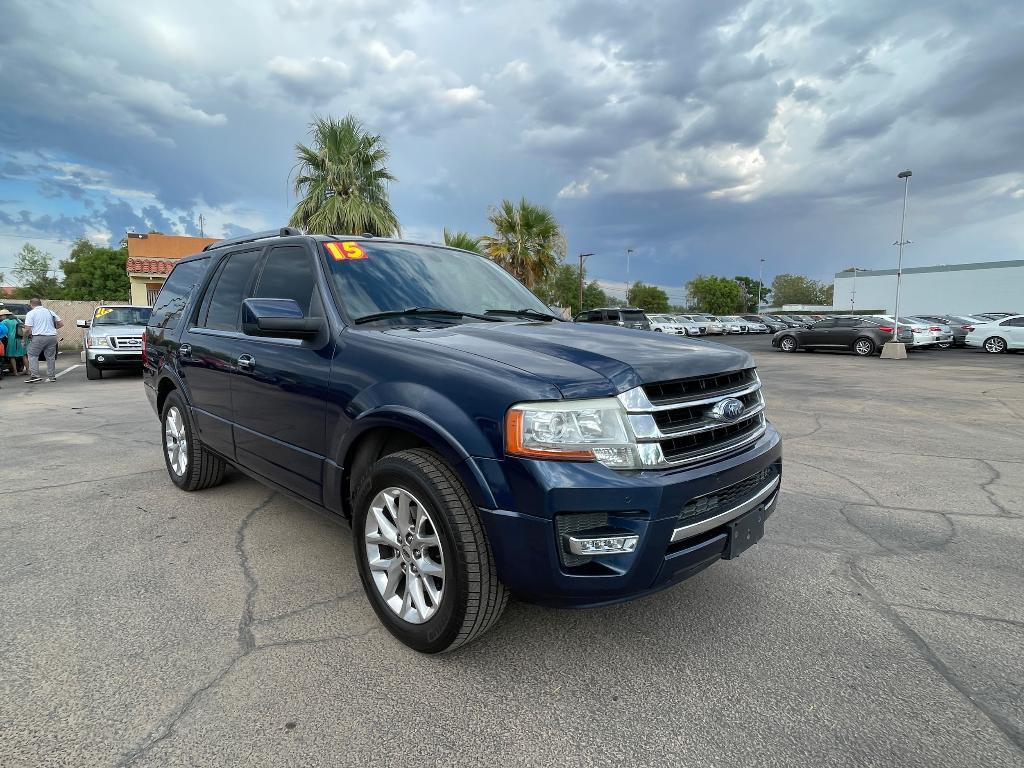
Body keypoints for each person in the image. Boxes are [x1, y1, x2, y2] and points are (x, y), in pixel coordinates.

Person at [24, 298, 62, 383]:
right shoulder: (50, 312)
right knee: (50, 357)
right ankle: (52, 376)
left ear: (31, 304)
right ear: (40, 303)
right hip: (52, 337)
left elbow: (27, 329)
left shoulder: (31, 313)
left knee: (32, 355)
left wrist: (24, 338)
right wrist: (52, 328)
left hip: (39, 337)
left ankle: (35, 376)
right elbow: (60, 324)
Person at [0, 309, 27, 375]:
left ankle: (15, 372)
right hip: (20, 339)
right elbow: (24, 328)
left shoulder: (5, 322)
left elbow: (3, 331)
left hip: (11, 340)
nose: (0, 317)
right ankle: (28, 370)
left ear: (4, 315)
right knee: (23, 355)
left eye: (1, 316)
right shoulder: (17, 320)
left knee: (12, 356)